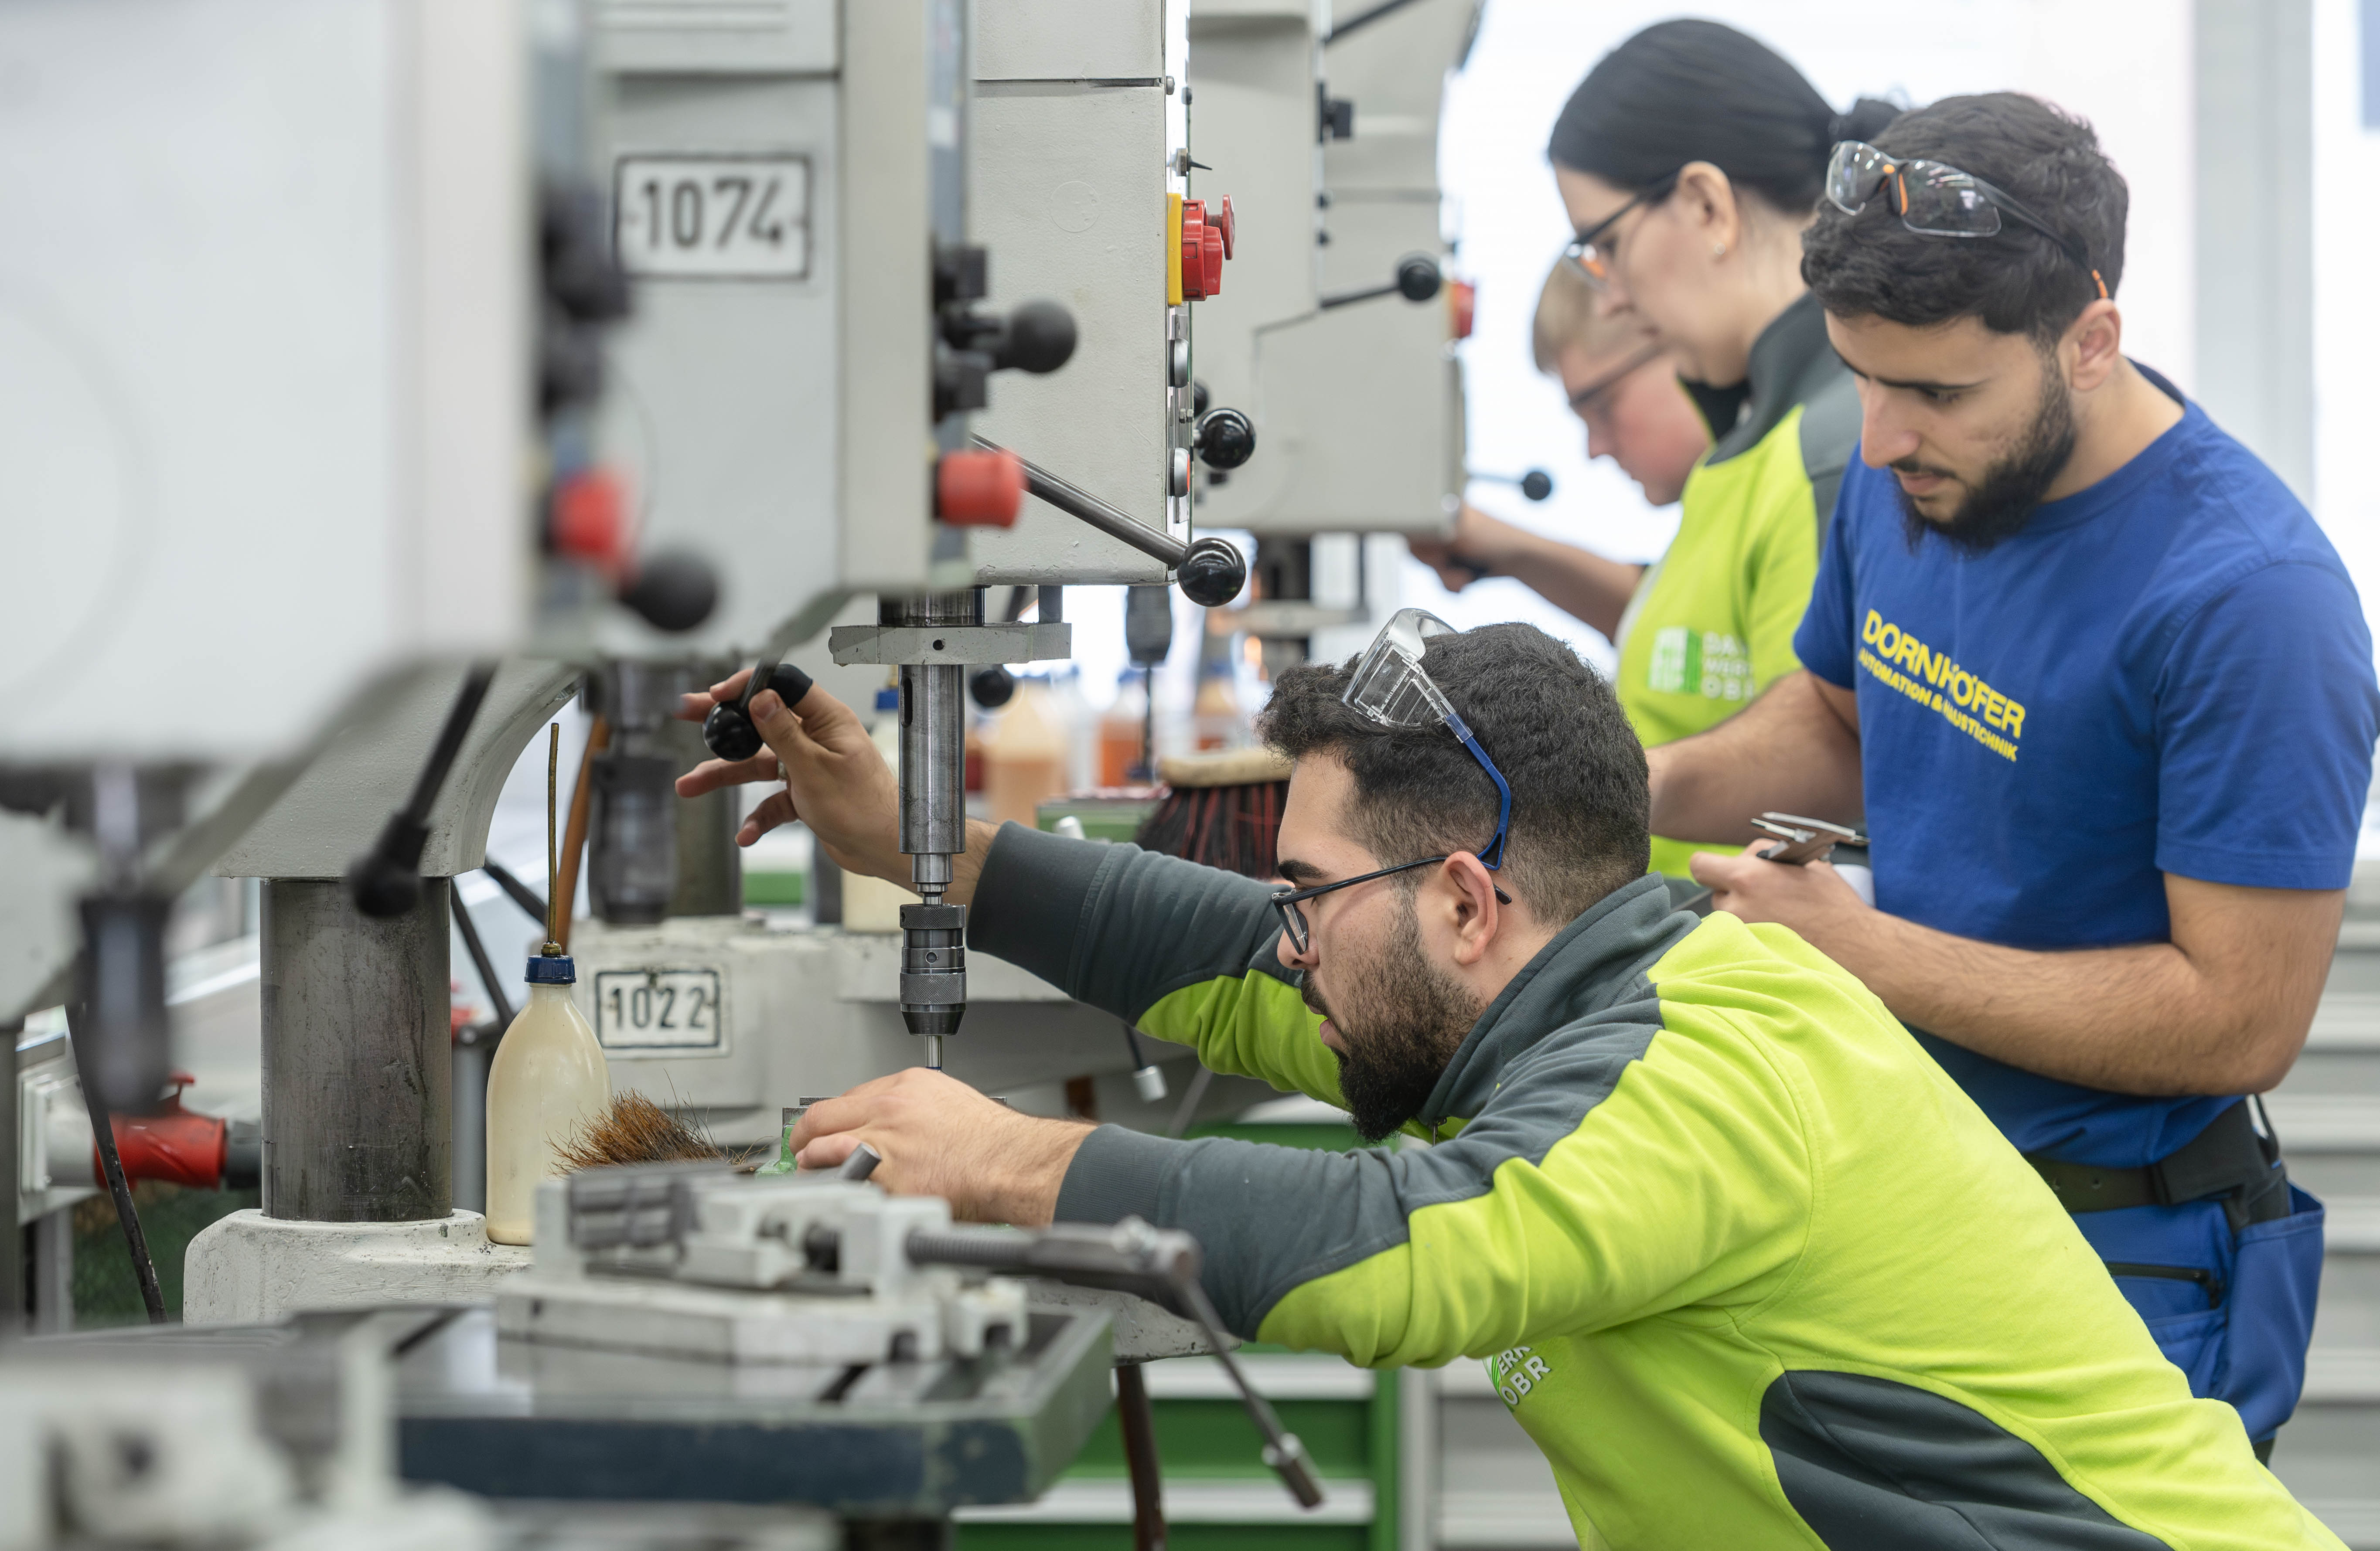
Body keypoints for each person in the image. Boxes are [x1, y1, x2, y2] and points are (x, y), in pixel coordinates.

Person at [673, 631, 2340, 1549]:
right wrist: (925, 841)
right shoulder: (1547, 1000)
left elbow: (1421, 1251)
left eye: (1314, 895)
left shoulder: (1704, 1055)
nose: (1289, 939)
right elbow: (1217, 951)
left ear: (1468, 903)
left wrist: (1010, 1161)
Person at [1647, 91, 2380, 1454]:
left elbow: (2236, 1021)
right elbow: (1841, 720)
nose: (1878, 437)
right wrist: (1622, 785)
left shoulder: (2249, 602)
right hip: (1912, 1195)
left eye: (1932, 390)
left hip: (2122, 1259)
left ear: (2088, 338)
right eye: (1862, 377)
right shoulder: (1913, 471)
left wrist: (1859, 953)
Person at [1528, 19, 1897, 875]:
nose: (1609, 297)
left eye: (1605, 246)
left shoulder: (1840, 445)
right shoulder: (1768, 431)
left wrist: (1554, 800)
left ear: (1706, 205)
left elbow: (1831, 775)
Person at [1407, 260, 1708, 639]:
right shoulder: (1717, 510)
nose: (1595, 448)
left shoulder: (1790, 487)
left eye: (1602, 406)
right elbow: (1673, 631)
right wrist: (1511, 549)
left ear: (1684, 342)